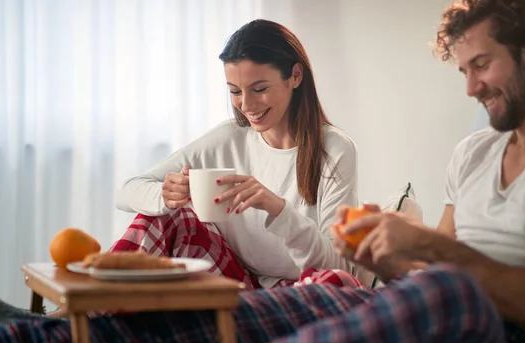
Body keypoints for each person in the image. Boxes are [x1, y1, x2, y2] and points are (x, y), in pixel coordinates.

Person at [0, 0, 525, 343]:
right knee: (267, 309)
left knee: (434, 290)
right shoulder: (472, 153)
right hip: (428, 305)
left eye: (480, 65)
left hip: (512, 339)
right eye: (463, 69)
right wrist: (388, 254)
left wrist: (426, 251)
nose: (470, 86)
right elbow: (432, 267)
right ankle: (21, 341)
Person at [110, 18, 367, 290]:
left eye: (259, 89)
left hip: (299, 289)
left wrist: (277, 209)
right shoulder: (229, 138)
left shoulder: (335, 149)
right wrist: (166, 194)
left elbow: (336, 265)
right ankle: (88, 309)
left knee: (337, 281)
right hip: (234, 281)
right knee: (167, 213)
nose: (246, 104)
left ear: (295, 76)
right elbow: (127, 192)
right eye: (234, 91)